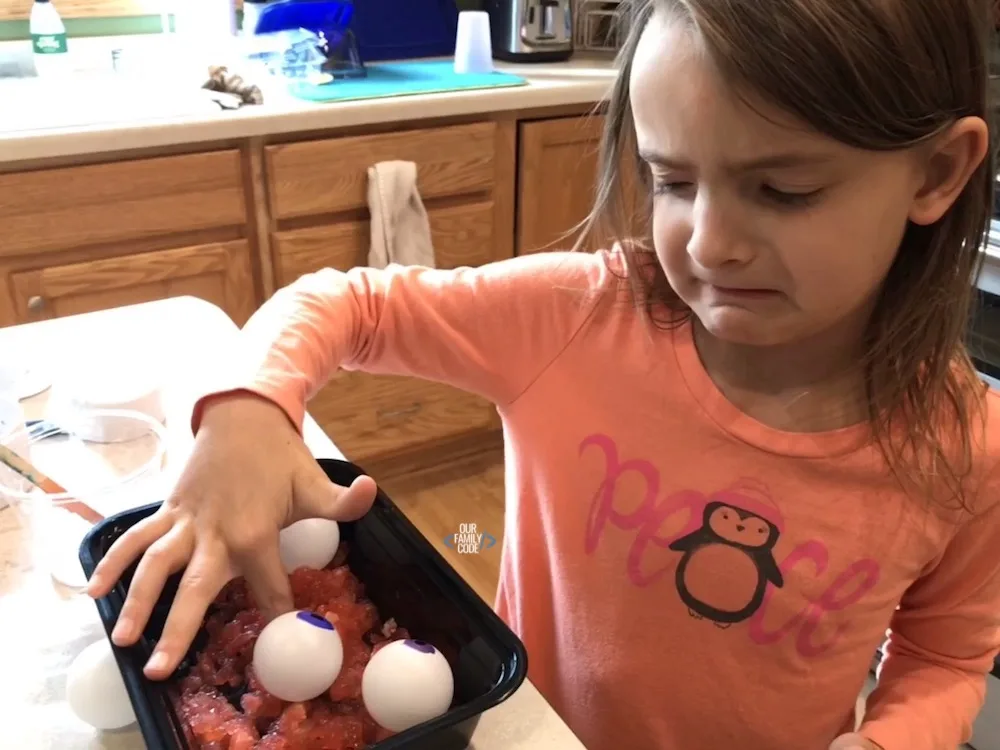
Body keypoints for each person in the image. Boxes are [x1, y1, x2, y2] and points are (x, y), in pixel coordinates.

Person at [87, 0, 1000, 748]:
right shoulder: (582, 319)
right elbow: (349, 303)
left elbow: (947, 659)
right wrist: (249, 410)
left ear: (937, 172)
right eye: (673, 181)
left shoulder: (967, 451)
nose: (710, 241)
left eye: (785, 190)